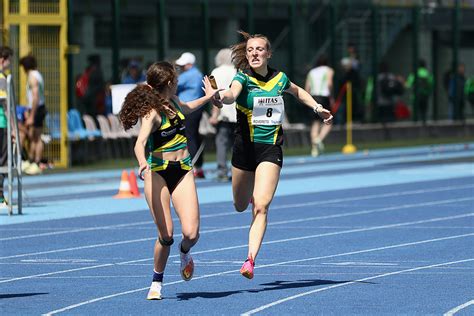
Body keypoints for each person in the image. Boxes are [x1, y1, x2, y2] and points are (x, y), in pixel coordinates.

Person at [214, 31, 332, 279]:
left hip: (270, 148)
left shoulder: (280, 78)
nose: (254, 53)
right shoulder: (242, 78)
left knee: (262, 205)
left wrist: (318, 107)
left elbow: (298, 91)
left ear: (268, 53)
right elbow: (231, 94)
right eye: (250, 50)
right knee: (239, 205)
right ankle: (247, 197)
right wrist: (219, 96)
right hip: (244, 148)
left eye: (259, 49)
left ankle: (250, 260)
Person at [118, 61, 220, 300]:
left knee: (192, 234)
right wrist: (143, 164)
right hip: (158, 173)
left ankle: (185, 253)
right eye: (176, 80)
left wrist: (208, 98)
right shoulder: (152, 113)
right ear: (170, 84)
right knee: (166, 236)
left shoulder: (175, 102)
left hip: (183, 170)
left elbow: (188, 107)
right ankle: (156, 283)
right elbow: (139, 143)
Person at [175, 52, 206, 178]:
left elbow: (173, 84)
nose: (181, 67)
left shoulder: (188, 75)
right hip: (196, 109)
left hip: (187, 109)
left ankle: (192, 165)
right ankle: (198, 165)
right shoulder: (198, 74)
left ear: (189, 64)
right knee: (194, 135)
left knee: (189, 136)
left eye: (183, 65)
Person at [209, 48, 237, 181]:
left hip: (223, 113)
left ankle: (222, 171)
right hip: (237, 113)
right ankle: (238, 171)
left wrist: (214, 114)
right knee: (237, 144)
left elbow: (214, 94)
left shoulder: (215, 72)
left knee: (221, 143)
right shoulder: (237, 72)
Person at [19, 55, 46, 175]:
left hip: (37, 108)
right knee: (33, 136)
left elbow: (35, 97)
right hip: (36, 108)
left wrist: (31, 115)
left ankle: (36, 162)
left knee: (36, 137)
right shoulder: (37, 74)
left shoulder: (32, 77)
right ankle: (31, 161)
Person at [304, 55, 334, 157]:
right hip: (324, 96)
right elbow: (329, 84)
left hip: (313, 98)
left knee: (315, 123)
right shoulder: (329, 70)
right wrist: (331, 97)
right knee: (328, 120)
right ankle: (319, 139)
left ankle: (314, 149)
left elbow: (307, 88)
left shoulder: (311, 72)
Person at [0, 46, 13, 208]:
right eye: (10, 60)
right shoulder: (2, 79)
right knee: (2, 161)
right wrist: (13, 127)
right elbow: (4, 103)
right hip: (1, 123)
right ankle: (0, 196)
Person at [406, 59, 433, 123]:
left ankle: (415, 123)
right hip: (425, 96)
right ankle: (424, 123)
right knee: (424, 111)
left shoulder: (414, 73)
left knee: (415, 113)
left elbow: (408, 85)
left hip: (416, 96)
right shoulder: (428, 73)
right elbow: (431, 84)